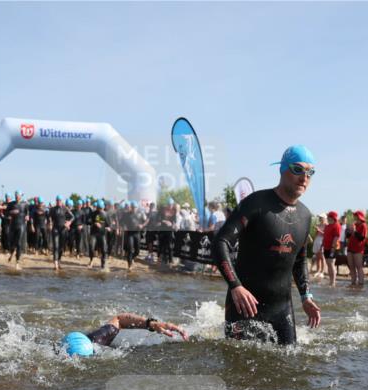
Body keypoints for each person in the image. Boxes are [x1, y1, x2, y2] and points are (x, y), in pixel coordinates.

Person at [214, 144, 321, 345]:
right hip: (244, 307)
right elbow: (221, 242)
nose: (304, 177)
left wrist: (306, 296)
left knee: (289, 369)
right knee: (238, 372)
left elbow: (299, 260)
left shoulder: (305, 215)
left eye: (310, 172)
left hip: (282, 309)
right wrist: (235, 286)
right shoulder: (256, 203)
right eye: (298, 169)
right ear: (282, 169)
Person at [60, 313, 189, 357]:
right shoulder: (96, 341)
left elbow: (120, 319)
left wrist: (152, 324)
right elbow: (119, 319)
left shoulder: (96, 340)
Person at [48, 195, 73, 271]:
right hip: (55, 229)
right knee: (56, 246)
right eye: (57, 200)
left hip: (63, 229)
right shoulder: (52, 209)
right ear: (56, 201)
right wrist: (50, 223)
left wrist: (69, 223)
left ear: (62, 201)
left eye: (60, 201)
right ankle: (55, 264)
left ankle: (58, 261)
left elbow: (72, 217)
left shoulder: (65, 209)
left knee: (61, 247)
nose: (58, 202)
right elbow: (49, 217)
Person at [320, 211, 342, 287]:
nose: (327, 218)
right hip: (326, 247)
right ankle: (330, 281)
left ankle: (333, 282)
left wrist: (333, 247)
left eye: (328, 217)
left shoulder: (337, 225)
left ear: (332, 217)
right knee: (328, 264)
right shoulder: (328, 226)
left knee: (331, 263)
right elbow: (325, 236)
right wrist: (322, 245)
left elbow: (336, 237)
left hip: (333, 248)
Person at [87, 200, 110, 270]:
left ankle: (103, 265)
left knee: (104, 250)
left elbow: (109, 224)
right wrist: (94, 223)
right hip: (94, 234)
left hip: (102, 234)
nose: (100, 209)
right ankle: (91, 260)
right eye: (98, 208)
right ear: (97, 207)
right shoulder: (93, 213)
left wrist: (108, 228)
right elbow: (87, 221)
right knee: (91, 247)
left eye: (101, 208)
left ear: (103, 207)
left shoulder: (106, 214)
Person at [347, 210, 368, 286]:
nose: (355, 218)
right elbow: (348, 236)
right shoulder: (354, 224)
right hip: (350, 247)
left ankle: (361, 283)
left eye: (356, 216)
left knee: (359, 266)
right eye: (355, 216)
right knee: (351, 266)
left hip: (358, 248)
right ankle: (353, 282)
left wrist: (355, 230)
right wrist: (349, 230)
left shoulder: (363, 225)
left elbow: (361, 238)